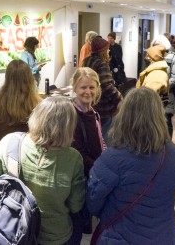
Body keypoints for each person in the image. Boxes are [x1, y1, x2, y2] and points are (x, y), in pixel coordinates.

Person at [0, 97, 85, 245]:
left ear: (36, 116)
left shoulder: (9, 142)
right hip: (56, 236)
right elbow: (76, 204)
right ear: (69, 126)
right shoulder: (73, 158)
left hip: (15, 232)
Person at [87, 87, 175, 245]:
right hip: (164, 236)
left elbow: (93, 202)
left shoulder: (112, 158)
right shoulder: (172, 152)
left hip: (121, 237)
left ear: (124, 116)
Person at [71, 67, 105, 234]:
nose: (87, 91)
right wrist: (99, 168)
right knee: (79, 224)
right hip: (80, 178)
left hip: (93, 174)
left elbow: (100, 140)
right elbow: (77, 153)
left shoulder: (93, 113)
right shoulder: (72, 115)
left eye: (91, 87)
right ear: (75, 88)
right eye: (83, 87)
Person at [83, 36, 122, 145]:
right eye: (107, 49)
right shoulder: (102, 64)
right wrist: (119, 98)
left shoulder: (87, 61)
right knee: (107, 140)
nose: (109, 50)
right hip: (104, 107)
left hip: (91, 105)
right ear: (103, 51)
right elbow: (106, 86)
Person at [152, 35, 175, 137]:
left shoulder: (173, 58)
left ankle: (168, 146)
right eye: (155, 46)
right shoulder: (152, 57)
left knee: (167, 120)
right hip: (154, 94)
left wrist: (162, 85)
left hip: (168, 94)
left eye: (159, 45)